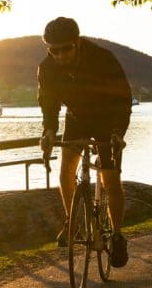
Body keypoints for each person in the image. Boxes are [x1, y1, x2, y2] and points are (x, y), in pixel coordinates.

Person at [38, 16, 132, 267]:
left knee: (109, 177)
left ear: (77, 43)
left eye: (65, 49)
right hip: (76, 118)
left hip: (107, 118)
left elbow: (123, 100)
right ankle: (74, 223)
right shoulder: (47, 68)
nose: (59, 55)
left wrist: (117, 132)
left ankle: (117, 234)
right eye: (53, 50)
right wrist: (48, 132)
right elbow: (49, 105)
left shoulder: (103, 59)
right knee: (66, 170)